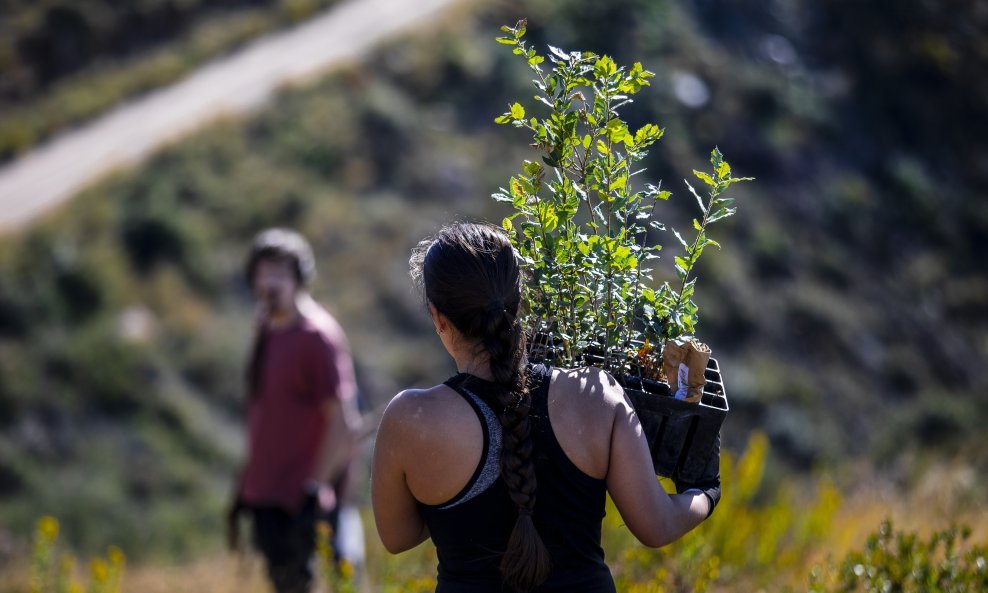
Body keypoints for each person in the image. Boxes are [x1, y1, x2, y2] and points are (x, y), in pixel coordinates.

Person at [371, 222, 721, 592]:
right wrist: (706, 491)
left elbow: (397, 536)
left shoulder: (411, 420)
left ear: (438, 318)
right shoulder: (597, 394)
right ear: (518, 301)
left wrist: (456, 500)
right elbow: (657, 525)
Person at [229, 228, 362, 593]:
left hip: (299, 501)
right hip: (266, 493)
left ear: (300, 278)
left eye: (280, 273)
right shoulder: (266, 325)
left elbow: (344, 423)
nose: (269, 283)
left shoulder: (317, 337)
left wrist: (313, 489)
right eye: (263, 272)